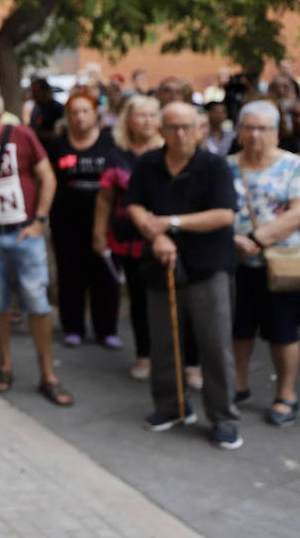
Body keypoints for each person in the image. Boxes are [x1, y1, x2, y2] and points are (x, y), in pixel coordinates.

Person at [127, 101, 241, 449]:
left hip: (208, 265)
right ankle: (171, 406)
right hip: (161, 263)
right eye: (172, 127)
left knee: (214, 344)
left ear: (200, 129)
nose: (179, 134)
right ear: (161, 131)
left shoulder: (214, 165)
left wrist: (173, 223)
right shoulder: (148, 163)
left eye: (186, 127)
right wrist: (156, 235)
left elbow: (224, 215)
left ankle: (223, 417)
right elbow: (134, 204)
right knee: (163, 341)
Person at [0, 92, 73, 406]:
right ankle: (5, 365)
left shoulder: (21, 135)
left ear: (1, 117)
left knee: (37, 302)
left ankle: (47, 372)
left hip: (25, 232)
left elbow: (48, 177)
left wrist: (40, 220)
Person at [227, 100, 300, 427]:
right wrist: (234, 242)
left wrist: (256, 240)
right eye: (249, 127)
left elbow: (297, 213)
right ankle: (238, 386)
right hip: (234, 262)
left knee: (282, 331)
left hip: (280, 263)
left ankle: (285, 393)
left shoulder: (292, 166)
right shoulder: (225, 166)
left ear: (276, 131)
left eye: (263, 128)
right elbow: (214, 209)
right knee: (238, 328)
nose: (255, 135)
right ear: (240, 130)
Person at [95, 95, 166, 380]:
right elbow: (104, 199)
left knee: (170, 297)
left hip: (166, 236)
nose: (147, 120)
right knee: (139, 299)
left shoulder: (170, 150)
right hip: (128, 238)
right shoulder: (117, 155)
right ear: (129, 121)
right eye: (141, 115)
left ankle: (180, 358)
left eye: (152, 115)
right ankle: (144, 354)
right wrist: (98, 233)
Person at [45, 92, 122, 348]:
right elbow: (48, 180)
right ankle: (73, 327)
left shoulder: (111, 142)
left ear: (95, 113)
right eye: (74, 112)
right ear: (68, 116)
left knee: (106, 275)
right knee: (70, 275)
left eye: (85, 111)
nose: (80, 117)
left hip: (106, 222)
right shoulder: (57, 145)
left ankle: (106, 329)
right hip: (67, 222)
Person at [27, 77, 66, 147]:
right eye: (32, 92)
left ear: (45, 91)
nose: (33, 95)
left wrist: (38, 134)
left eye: (36, 92)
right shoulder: (36, 108)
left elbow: (59, 132)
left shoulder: (58, 109)